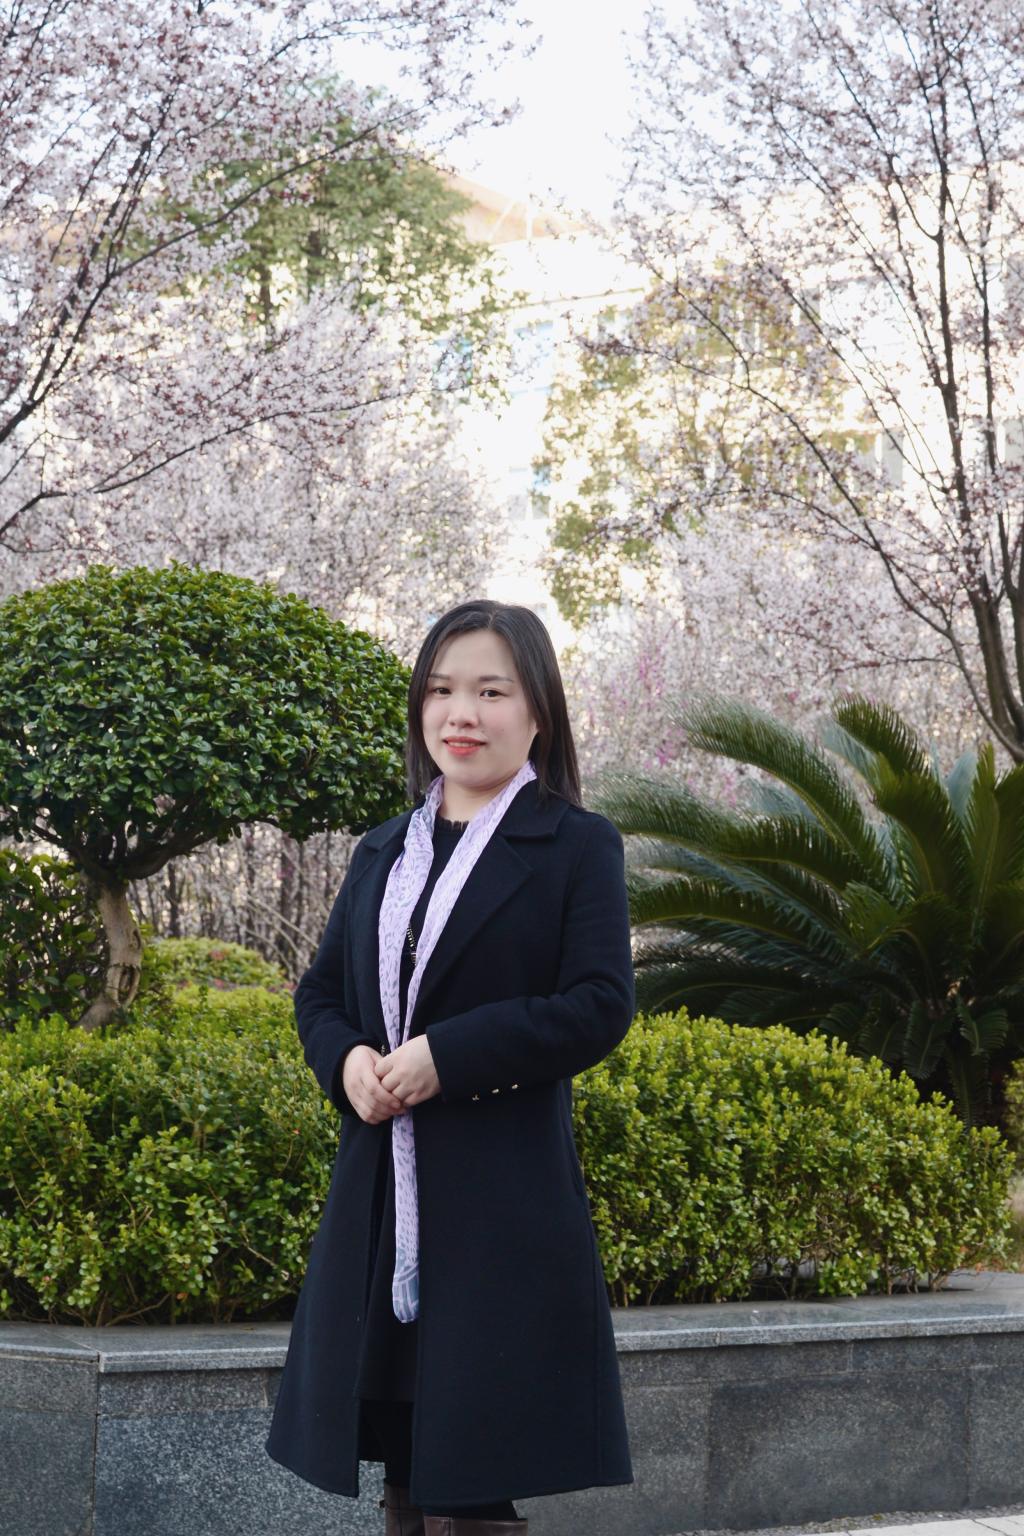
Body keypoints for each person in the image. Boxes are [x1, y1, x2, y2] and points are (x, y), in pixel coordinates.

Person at [265, 599, 636, 1536]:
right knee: (403, 1454)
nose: (460, 714)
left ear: (538, 710)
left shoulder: (575, 844)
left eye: (490, 692)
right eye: (440, 690)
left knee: (474, 1465)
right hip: (382, 1201)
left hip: (497, 1203)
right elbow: (320, 995)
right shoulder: (384, 850)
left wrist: (448, 1056)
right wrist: (348, 1061)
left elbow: (599, 1004)